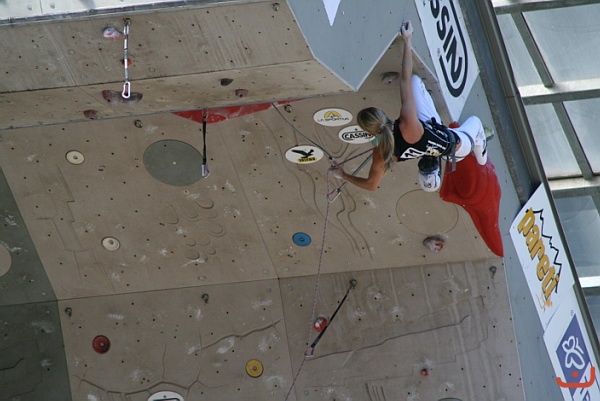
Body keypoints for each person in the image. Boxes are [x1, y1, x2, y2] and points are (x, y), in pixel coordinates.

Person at [332, 20, 487, 192]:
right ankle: (480, 149)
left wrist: (343, 175)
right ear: (382, 114)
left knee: (426, 131)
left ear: (370, 132)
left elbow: (371, 185)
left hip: (432, 136)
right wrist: (407, 41)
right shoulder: (407, 123)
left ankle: (438, 164)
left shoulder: (381, 153)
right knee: (475, 122)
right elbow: (405, 79)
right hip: (458, 146)